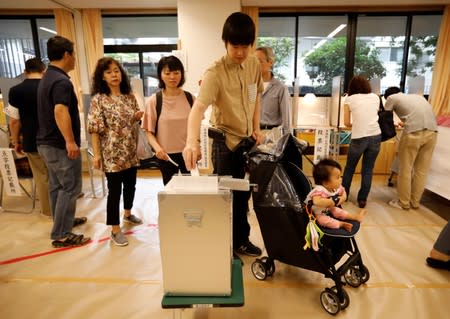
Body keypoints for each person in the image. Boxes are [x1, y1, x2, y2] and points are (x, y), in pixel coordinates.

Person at [182, 12, 264, 257]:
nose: (240, 52)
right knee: (225, 198)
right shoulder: (214, 73)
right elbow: (198, 108)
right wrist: (191, 142)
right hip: (225, 143)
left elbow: (254, 96)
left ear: (251, 44)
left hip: (247, 142)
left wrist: (256, 128)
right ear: (225, 42)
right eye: (234, 46)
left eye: (245, 46)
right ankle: (224, 245)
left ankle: (241, 240)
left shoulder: (253, 64)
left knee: (243, 196)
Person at [36, 35, 89, 248]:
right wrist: (70, 141)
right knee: (70, 187)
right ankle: (62, 234)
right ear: (67, 55)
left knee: (57, 187)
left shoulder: (47, 76)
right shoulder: (61, 81)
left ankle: (62, 222)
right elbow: (60, 110)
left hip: (45, 144)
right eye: (74, 54)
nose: (75, 59)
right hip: (58, 145)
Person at [87, 57, 143, 247]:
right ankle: (114, 229)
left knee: (131, 185)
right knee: (114, 191)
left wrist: (137, 117)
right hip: (111, 154)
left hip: (130, 151)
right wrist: (97, 155)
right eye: (109, 72)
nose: (114, 75)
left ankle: (127, 213)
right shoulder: (98, 100)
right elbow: (94, 129)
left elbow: (135, 120)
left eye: (117, 71)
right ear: (102, 76)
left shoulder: (129, 96)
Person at [7, 57, 52, 217]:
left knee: (41, 176)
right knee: (57, 175)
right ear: (44, 71)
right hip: (53, 140)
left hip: (31, 140)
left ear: (25, 72)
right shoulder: (50, 87)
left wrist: (15, 140)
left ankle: (48, 211)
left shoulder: (15, 91)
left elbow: (14, 121)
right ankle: (62, 211)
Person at [141, 55, 193, 185]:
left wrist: (196, 145)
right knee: (171, 192)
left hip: (188, 153)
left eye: (176, 73)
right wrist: (158, 149)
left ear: (181, 74)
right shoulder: (154, 101)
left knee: (191, 190)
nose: (172, 77)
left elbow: (196, 127)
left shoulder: (190, 98)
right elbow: (148, 131)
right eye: (167, 73)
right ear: (160, 75)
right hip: (166, 156)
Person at [383, 86, 438, 210]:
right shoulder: (418, 97)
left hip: (413, 134)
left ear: (388, 96)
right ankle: (415, 202)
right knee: (421, 171)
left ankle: (403, 203)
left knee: (405, 169)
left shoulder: (391, 98)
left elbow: (385, 118)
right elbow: (417, 115)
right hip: (432, 132)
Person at [342, 75, 382, 209]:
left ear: (352, 87)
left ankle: (344, 195)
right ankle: (362, 200)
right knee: (367, 170)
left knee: (349, 168)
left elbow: (346, 122)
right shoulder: (376, 97)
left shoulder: (349, 99)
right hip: (376, 136)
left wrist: (357, 123)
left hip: (359, 137)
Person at [306, 158, 366, 232]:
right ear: (326, 183)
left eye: (340, 176)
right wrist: (330, 202)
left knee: (338, 211)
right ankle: (340, 224)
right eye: (337, 177)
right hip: (315, 212)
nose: (341, 179)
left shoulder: (335, 188)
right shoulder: (319, 190)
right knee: (321, 220)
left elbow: (344, 192)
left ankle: (355, 217)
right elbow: (316, 202)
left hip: (327, 209)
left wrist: (343, 198)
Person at [254, 46, 291, 135]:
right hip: (253, 133)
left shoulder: (281, 88)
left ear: (270, 62)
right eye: (254, 61)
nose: (256, 65)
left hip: (272, 134)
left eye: (259, 61)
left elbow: (286, 119)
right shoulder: (251, 86)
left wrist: (286, 140)